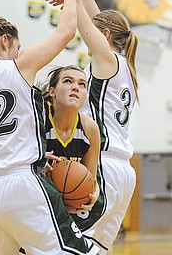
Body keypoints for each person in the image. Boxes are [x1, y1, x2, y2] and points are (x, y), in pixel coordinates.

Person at [0, 0, 99, 254]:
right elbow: (67, 31)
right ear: (5, 41)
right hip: (18, 184)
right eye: (17, 47)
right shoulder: (18, 67)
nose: (18, 52)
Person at [47, 0, 138, 253]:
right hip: (124, 173)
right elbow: (98, 19)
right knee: (96, 248)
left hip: (104, 166)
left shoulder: (107, 61)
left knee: (66, 241)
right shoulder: (125, 66)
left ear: (105, 35)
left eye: (96, 35)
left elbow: (86, 25)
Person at [42, 65, 106, 230]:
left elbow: (90, 178)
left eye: (82, 84)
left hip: (67, 208)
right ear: (53, 92)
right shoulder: (39, 118)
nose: (75, 87)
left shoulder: (90, 128)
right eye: (68, 81)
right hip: (36, 199)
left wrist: (92, 195)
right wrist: (38, 160)